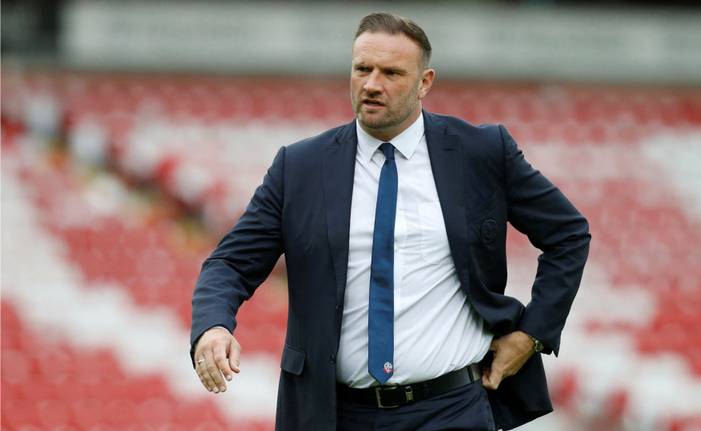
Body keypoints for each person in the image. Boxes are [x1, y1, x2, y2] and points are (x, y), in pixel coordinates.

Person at [190, 12, 590, 431]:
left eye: (391, 73)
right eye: (362, 69)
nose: (371, 84)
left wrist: (531, 335)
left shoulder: (482, 152)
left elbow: (568, 234)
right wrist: (213, 326)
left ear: (425, 82)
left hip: (453, 409)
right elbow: (230, 263)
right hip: (336, 415)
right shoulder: (300, 168)